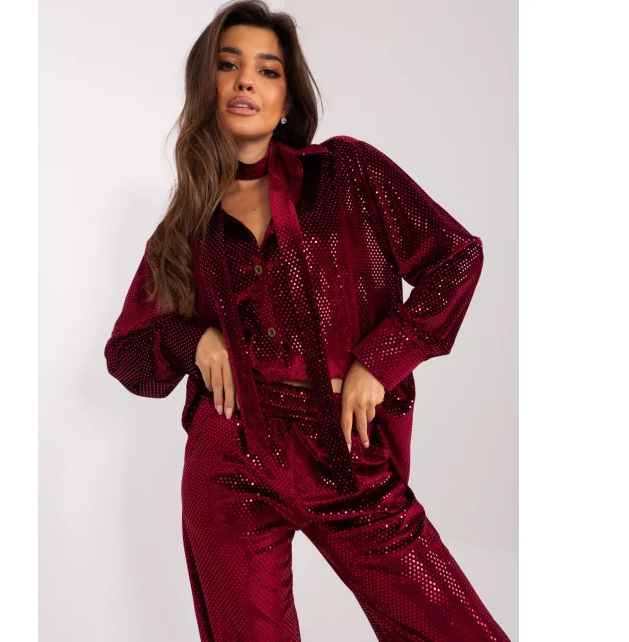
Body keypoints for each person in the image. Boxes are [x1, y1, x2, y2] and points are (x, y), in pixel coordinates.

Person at [104, 1, 511, 640]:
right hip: (230, 458)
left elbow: (457, 258)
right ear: (205, 85)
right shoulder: (184, 227)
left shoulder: (346, 173)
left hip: (346, 449)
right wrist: (193, 339)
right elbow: (127, 354)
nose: (246, 80)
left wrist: (380, 361)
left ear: (287, 97)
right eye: (228, 65)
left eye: (267, 70)